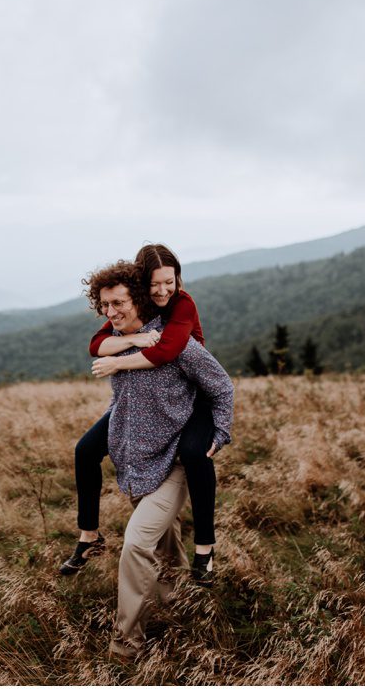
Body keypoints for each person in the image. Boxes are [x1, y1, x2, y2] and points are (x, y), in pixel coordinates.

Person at [78, 260, 234, 660]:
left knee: (135, 544)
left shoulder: (177, 344)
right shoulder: (117, 337)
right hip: (134, 461)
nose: (111, 313)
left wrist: (218, 432)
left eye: (118, 304)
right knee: (162, 544)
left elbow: (221, 385)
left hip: (174, 463)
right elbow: (116, 388)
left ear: (140, 299)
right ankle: (181, 600)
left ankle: (126, 642)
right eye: (105, 305)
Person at [60, 244, 222, 585]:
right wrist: (133, 337)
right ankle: (90, 536)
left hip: (191, 398)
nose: (163, 290)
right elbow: (97, 344)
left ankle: (205, 547)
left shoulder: (182, 304)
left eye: (170, 281)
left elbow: (165, 351)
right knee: (86, 450)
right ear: (140, 285)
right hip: (141, 402)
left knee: (195, 455)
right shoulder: (134, 307)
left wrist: (118, 360)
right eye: (155, 283)